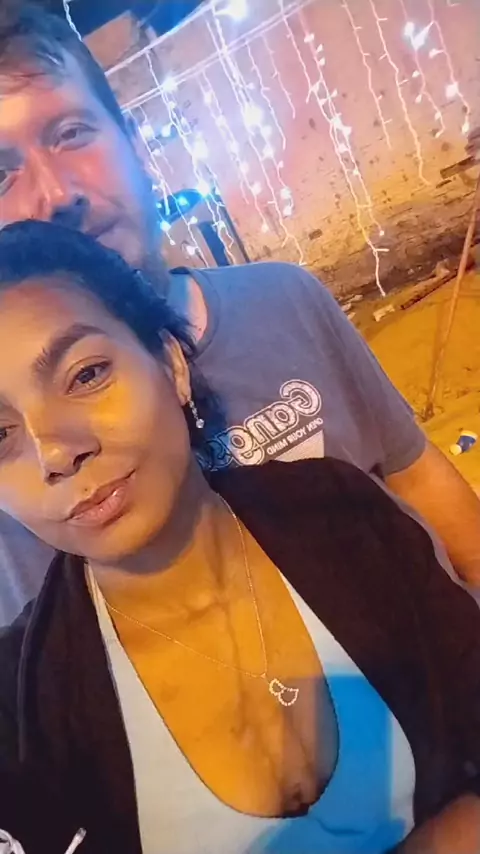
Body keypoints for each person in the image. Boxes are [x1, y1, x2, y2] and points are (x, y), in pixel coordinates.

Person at [1, 220, 480, 854]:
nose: (55, 452)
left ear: (171, 364)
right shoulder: (22, 712)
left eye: (85, 375)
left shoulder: (339, 515)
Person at [1, 4, 480, 626]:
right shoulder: (19, 474)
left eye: (71, 134)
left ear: (134, 144)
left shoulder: (284, 299)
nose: (57, 194)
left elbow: (412, 471)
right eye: (1, 174)